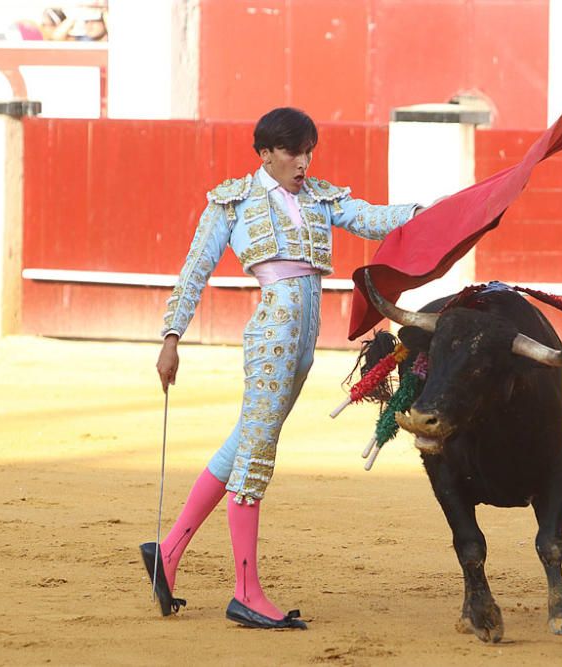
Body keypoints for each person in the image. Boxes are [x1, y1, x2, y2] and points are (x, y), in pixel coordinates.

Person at [143, 107, 427, 629]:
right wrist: (171, 337)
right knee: (256, 456)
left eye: (308, 151)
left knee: (243, 444)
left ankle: (167, 554)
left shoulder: (319, 196)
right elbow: (194, 272)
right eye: (294, 151)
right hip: (273, 336)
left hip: (302, 344)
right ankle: (246, 592)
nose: (304, 161)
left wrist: (426, 212)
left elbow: (368, 217)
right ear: (266, 153)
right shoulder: (232, 201)